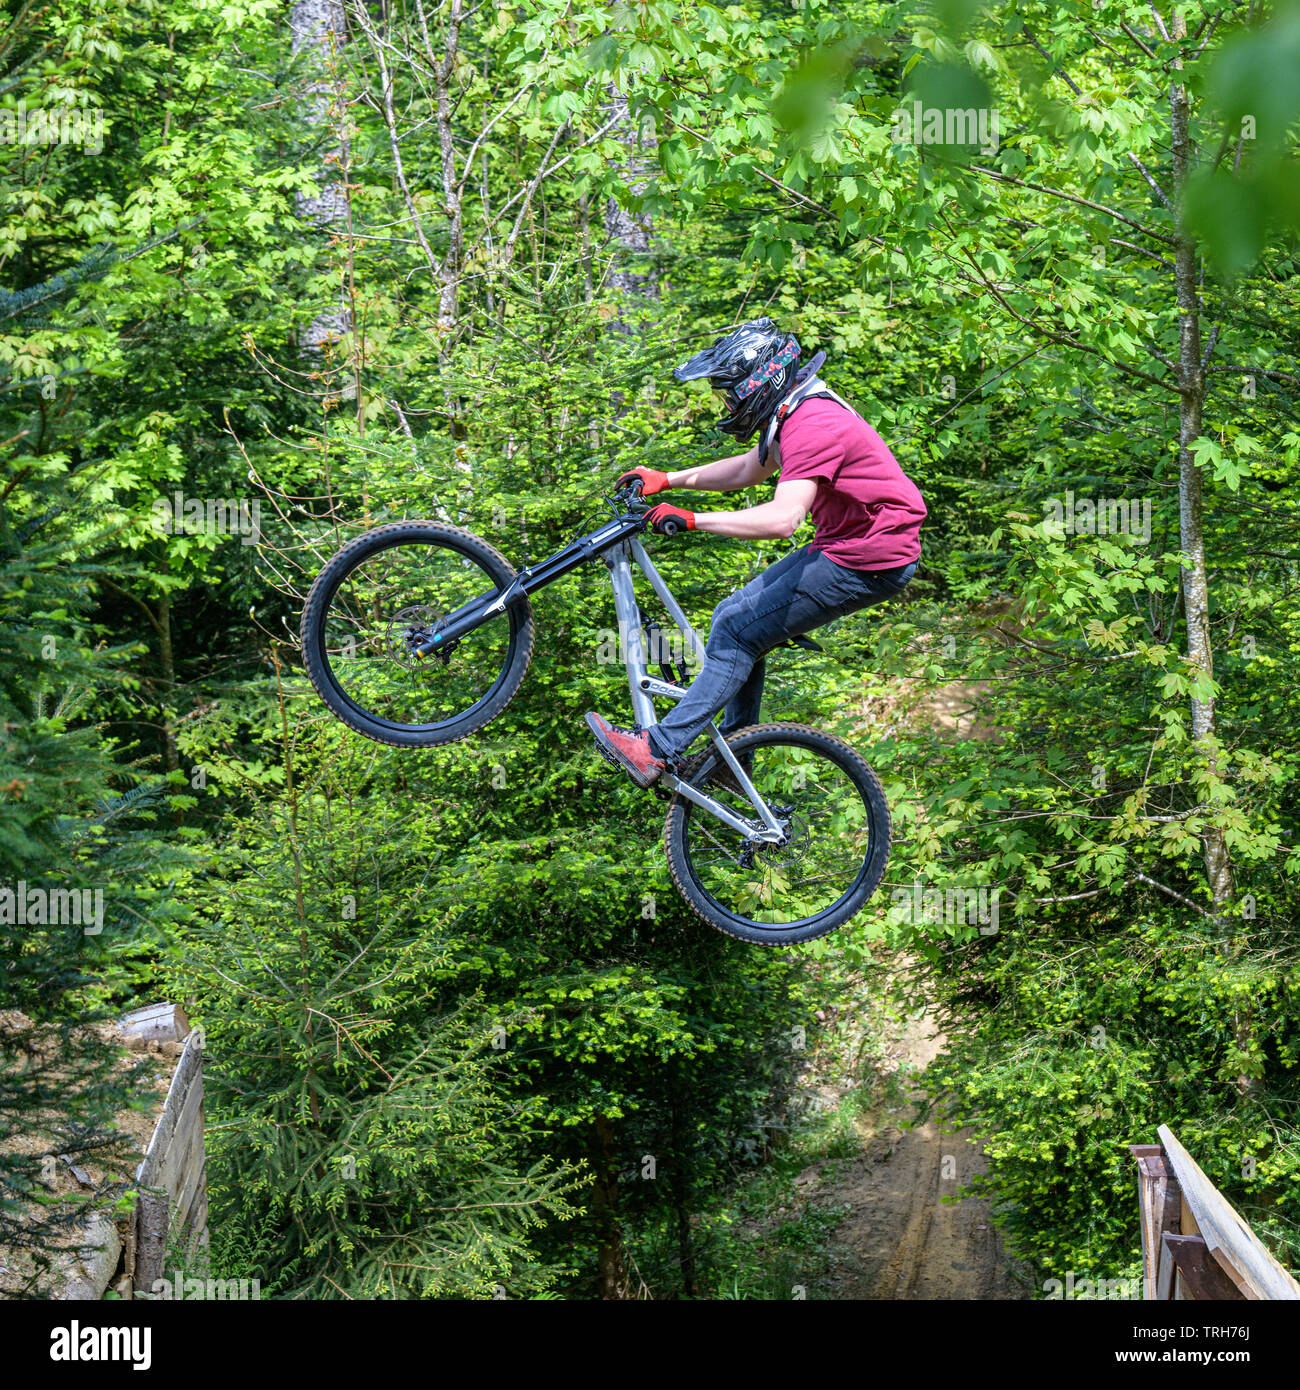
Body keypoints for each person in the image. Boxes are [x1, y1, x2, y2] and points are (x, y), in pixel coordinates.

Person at [585, 317, 926, 787]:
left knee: (737, 630)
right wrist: (669, 478)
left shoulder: (812, 422)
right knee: (735, 616)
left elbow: (782, 520)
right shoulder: (795, 409)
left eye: (729, 392)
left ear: (757, 381)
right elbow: (751, 468)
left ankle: (658, 748)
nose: (725, 403)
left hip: (869, 558)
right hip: (850, 544)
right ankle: (733, 758)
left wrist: (692, 519)